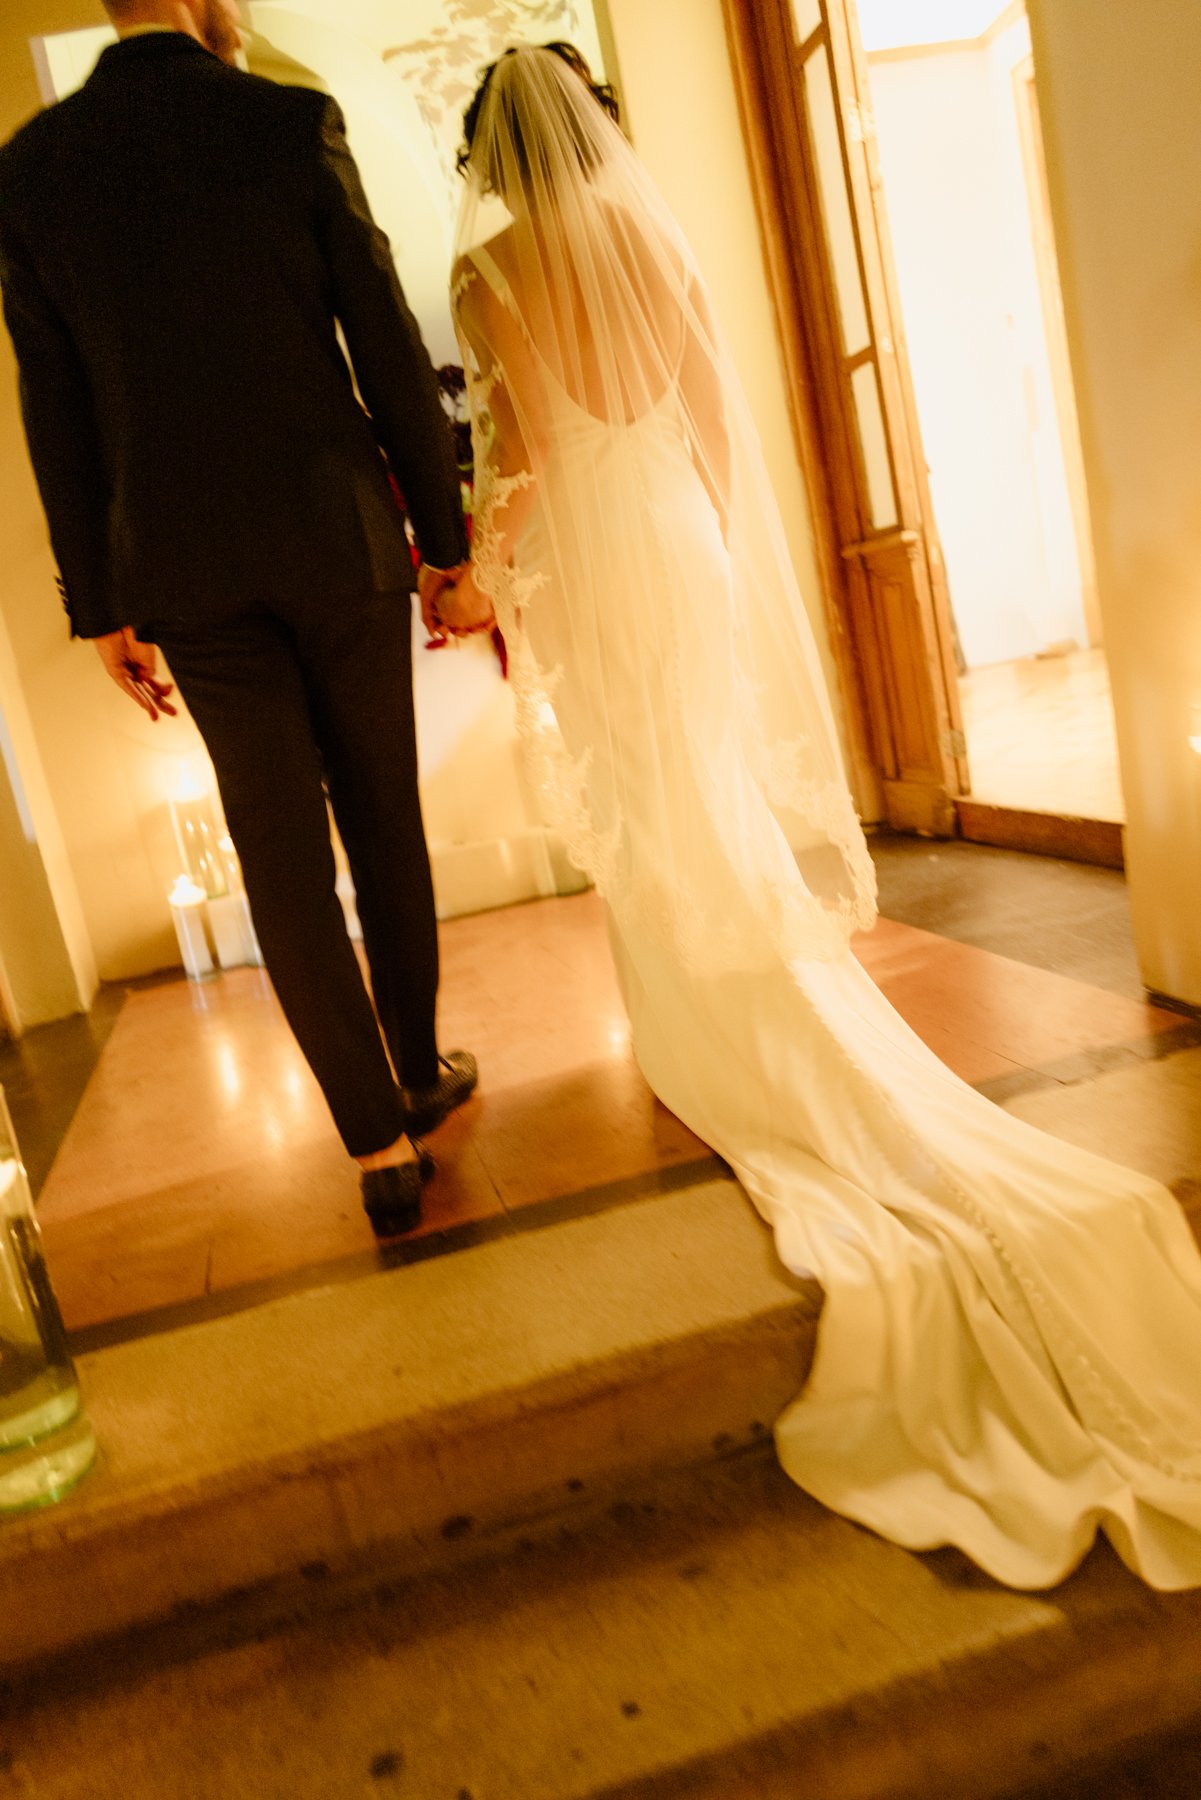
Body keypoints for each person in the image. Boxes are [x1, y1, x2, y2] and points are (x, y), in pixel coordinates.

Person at [436, 43, 1201, 1589]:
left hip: (594, 547)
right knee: (699, 774)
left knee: (646, 792)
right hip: (676, 536)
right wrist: (711, 548)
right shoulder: (650, 232)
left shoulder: (488, 270)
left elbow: (517, 459)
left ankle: (703, 1027)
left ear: (491, 161)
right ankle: (748, 990)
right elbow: (716, 427)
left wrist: (478, 576)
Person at [0, 0, 477, 1237]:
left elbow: (55, 407)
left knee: (276, 852)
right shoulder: (286, 122)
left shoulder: (33, 169)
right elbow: (384, 339)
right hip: (334, 535)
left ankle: (375, 1145)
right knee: (382, 814)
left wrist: (98, 605)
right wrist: (444, 540)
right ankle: (416, 1073)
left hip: (181, 564)